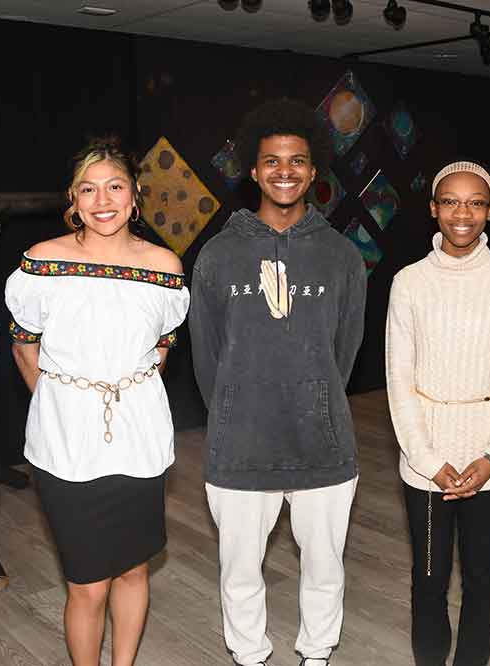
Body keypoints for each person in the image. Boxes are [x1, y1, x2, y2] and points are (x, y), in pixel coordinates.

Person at [188, 98, 367, 666]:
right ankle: (250, 656)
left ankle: (318, 654)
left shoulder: (341, 256)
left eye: (296, 161)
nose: (284, 171)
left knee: (324, 569)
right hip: (240, 447)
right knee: (239, 572)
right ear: (253, 170)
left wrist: (313, 396)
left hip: (324, 444)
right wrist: (239, 407)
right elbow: (206, 358)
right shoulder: (217, 256)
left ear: (315, 173)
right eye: (272, 161)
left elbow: (346, 352)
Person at [5, 138, 188, 666]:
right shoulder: (43, 262)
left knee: (133, 568)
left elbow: (161, 349)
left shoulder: (164, 265)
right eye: (89, 189)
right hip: (66, 445)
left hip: (140, 440)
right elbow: (24, 345)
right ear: (73, 198)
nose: (102, 199)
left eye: (114, 186)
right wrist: (64, 406)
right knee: (87, 583)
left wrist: (121, 396)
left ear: (135, 197)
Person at [386, 160, 490, 666]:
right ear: (433, 209)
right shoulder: (408, 282)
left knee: (482, 577)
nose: (462, 212)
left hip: (489, 461)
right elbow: (398, 382)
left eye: (475, 202)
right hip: (426, 462)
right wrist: (428, 459)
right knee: (428, 580)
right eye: (450, 200)